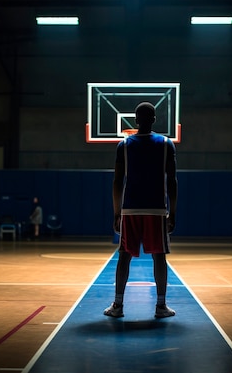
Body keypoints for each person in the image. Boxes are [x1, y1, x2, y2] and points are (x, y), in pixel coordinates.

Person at [104, 102, 178, 318]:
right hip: (156, 209)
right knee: (159, 257)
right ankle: (161, 306)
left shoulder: (124, 145)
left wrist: (117, 213)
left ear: (135, 120)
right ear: (154, 119)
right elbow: (172, 181)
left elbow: (117, 181)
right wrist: (172, 213)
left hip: (130, 209)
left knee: (124, 256)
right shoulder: (166, 144)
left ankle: (118, 306)